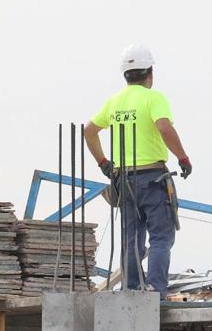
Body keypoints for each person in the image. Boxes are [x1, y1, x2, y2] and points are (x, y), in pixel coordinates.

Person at [82, 44, 192, 298]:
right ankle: (154, 288)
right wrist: (182, 157)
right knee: (161, 237)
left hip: (124, 179)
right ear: (150, 72)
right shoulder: (154, 98)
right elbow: (164, 127)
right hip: (152, 177)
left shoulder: (114, 102)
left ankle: (131, 287)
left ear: (125, 74)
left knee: (131, 237)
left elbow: (89, 131)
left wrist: (103, 163)